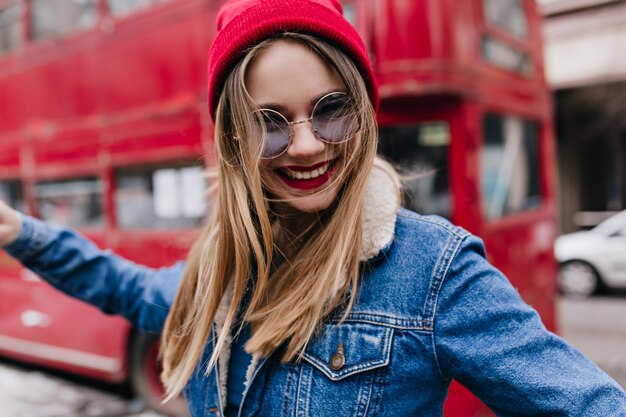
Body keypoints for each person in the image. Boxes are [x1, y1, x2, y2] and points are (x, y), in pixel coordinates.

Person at [1, 0, 626, 416]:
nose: (304, 145)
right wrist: (22, 232)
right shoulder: (221, 268)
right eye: (269, 123)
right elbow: (125, 287)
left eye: (331, 111)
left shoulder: (435, 271)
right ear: (234, 141)